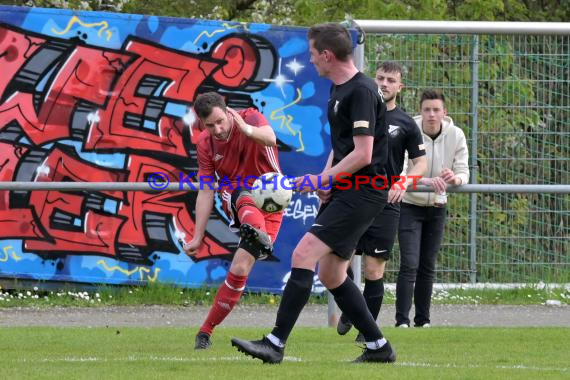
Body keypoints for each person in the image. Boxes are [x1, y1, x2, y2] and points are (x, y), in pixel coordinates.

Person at [231, 22, 396, 364]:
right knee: (332, 273)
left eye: (312, 55)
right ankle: (379, 347)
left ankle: (275, 343)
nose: (310, 62)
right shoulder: (339, 91)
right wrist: (326, 180)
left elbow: (364, 154)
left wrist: (323, 180)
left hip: (364, 191)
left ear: (326, 55)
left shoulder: (361, 91)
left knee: (303, 255)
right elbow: (343, 148)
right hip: (347, 190)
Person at [184, 92, 283, 349]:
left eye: (220, 121)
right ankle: (205, 333)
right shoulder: (205, 144)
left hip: (271, 200)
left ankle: (204, 331)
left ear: (227, 111)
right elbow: (206, 191)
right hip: (238, 198)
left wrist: (246, 129)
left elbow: (271, 138)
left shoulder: (250, 117)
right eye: (209, 125)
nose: (217, 129)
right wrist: (198, 235)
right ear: (202, 124)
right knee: (238, 192)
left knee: (239, 270)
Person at [336, 61, 427, 341]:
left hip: (386, 202)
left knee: (375, 269)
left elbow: (420, 162)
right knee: (339, 263)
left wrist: (404, 181)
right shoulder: (360, 113)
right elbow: (339, 150)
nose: (384, 84)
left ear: (400, 87)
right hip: (353, 196)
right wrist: (327, 182)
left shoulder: (406, 123)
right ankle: (351, 308)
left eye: (391, 80)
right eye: (380, 78)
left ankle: (368, 333)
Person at [395, 89, 469, 328]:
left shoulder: (456, 135)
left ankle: (423, 321)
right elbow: (402, 172)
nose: (431, 114)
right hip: (409, 204)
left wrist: (454, 179)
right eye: (427, 109)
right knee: (409, 263)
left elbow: (463, 171)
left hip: (437, 207)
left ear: (444, 113)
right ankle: (401, 321)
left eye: (436, 110)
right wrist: (423, 181)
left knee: (428, 264)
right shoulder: (409, 130)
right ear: (420, 111)